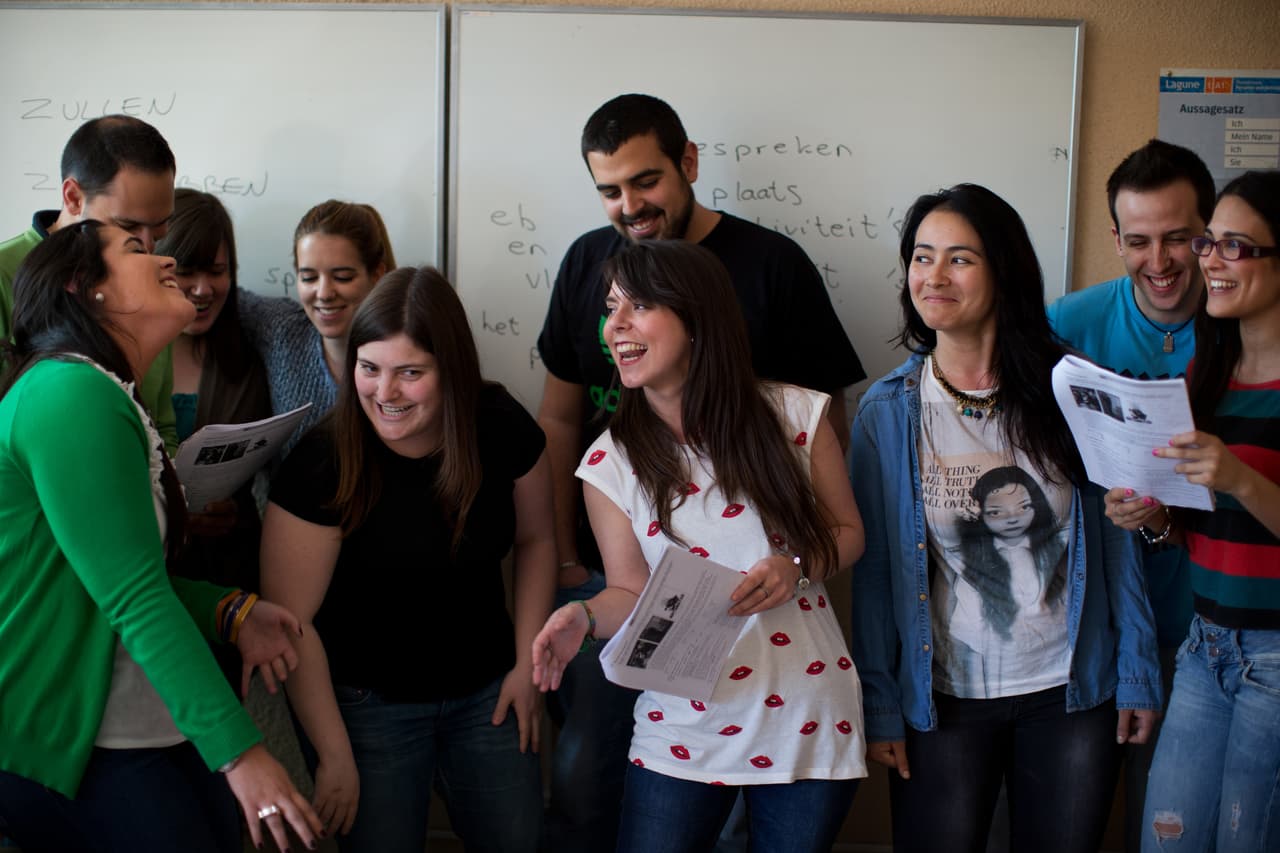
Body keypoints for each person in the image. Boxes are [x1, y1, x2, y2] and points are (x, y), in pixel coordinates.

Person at [535, 93, 864, 852]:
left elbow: (848, 533)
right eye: (612, 309)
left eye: (638, 308)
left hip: (805, 717)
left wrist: (794, 565)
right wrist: (578, 613)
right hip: (681, 724)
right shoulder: (608, 459)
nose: (615, 326)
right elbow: (623, 590)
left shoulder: (794, 416)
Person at [849, 183, 1161, 853]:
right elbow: (876, 576)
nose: (933, 276)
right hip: (944, 700)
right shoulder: (888, 412)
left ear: (1005, 271)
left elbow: (1116, 545)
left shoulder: (1075, 391)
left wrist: (1135, 668)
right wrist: (880, 703)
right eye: (922, 256)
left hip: (1072, 692)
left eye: (959, 258)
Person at [0, 221, 322, 853]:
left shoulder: (104, 390)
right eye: (137, 249)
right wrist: (242, 754)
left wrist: (228, 611)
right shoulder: (69, 393)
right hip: (75, 735)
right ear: (82, 287)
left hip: (143, 726)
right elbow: (132, 596)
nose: (167, 257)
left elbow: (113, 574)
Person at [260, 266, 556, 852]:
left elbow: (537, 542)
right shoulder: (321, 462)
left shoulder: (498, 424)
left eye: (410, 374)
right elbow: (290, 625)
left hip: (488, 693)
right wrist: (334, 753)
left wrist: (528, 669)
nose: (385, 393)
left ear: (453, 372)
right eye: (369, 369)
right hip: (368, 708)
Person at [1046, 138, 1214, 852]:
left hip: (1209, 620)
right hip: (1093, 623)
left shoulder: (1246, 318)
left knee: (1171, 821)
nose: (1161, 261)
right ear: (1114, 238)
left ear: (1211, 231)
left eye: (1180, 237)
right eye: (1139, 240)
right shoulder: (1070, 322)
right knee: (1066, 816)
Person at [1105, 170, 1280, 853]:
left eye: (1235, 245)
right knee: (1165, 840)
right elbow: (1202, 533)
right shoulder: (1206, 376)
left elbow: (1241, 494)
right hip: (1205, 647)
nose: (1210, 258)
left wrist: (1239, 477)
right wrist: (1150, 516)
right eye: (1210, 241)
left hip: (1274, 651)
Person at [0, 114, 179, 453]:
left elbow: (162, 427)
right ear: (73, 198)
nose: (149, 247)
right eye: (128, 226)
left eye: (160, 228)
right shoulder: (3, 273)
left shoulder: (155, 288)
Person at [159, 189, 271, 614]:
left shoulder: (251, 354)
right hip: (149, 571)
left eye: (217, 271)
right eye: (187, 272)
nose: (203, 290)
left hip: (231, 573)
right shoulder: (127, 359)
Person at [238, 200, 395, 451]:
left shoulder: (407, 352)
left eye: (342, 277)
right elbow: (217, 295)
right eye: (308, 277)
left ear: (377, 275)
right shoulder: (282, 330)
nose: (324, 293)